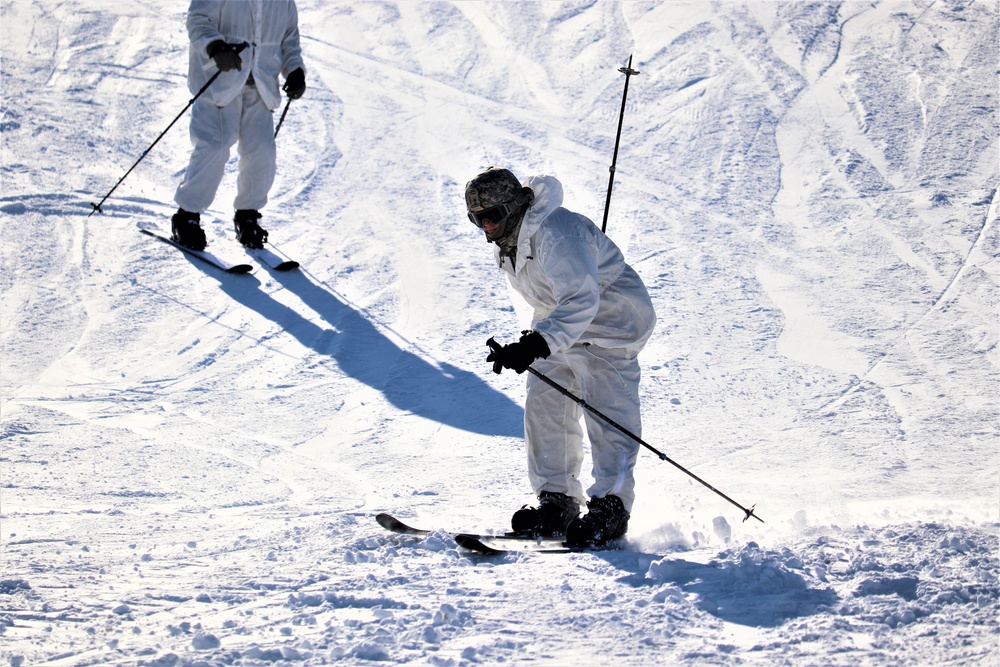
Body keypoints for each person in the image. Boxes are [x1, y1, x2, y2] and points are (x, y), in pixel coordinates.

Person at [466, 167, 656, 548]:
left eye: (493, 216)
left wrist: (537, 344)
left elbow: (581, 299)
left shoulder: (557, 232)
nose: (486, 226)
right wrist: (530, 344)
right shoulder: (510, 242)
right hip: (561, 328)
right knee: (544, 407)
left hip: (610, 325)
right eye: (477, 219)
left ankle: (612, 507)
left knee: (608, 415)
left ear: (515, 206)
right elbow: (550, 299)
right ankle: (558, 500)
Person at [171, 0, 306, 251]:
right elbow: (198, 20)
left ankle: (247, 215)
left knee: (262, 152)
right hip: (219, 83)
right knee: (214, 146)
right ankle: (186, 216)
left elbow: (289, 39)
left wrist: (295, 70)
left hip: (261, 86)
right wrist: (215, 47)